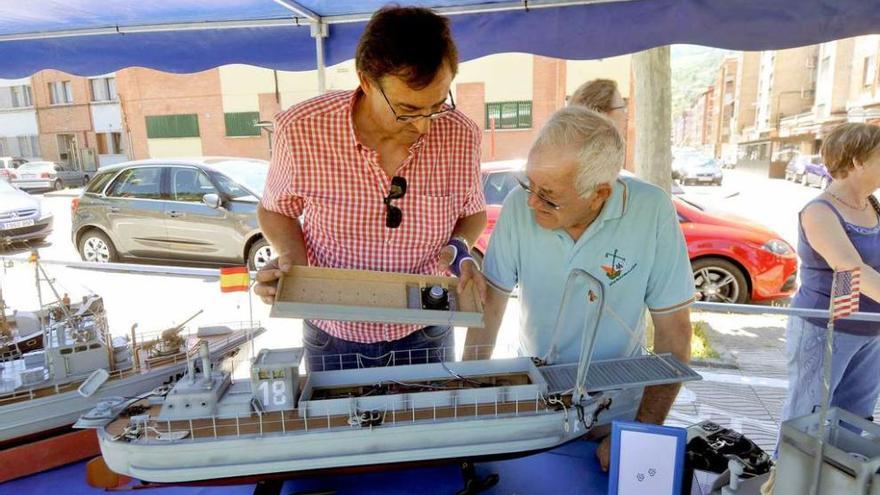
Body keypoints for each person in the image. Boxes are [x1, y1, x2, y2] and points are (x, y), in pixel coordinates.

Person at [254, 6, 487, 371]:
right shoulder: (302, 129)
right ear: (365, 81)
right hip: (332, 329)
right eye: (408, 109)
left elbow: (472, 212)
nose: (425, 127)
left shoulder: (462, 134)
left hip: (428, 326)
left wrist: (458, 250)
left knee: (428, 427)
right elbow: (275, 209)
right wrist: (294, 269)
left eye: (438, 105)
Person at [464, 106, 693, 471]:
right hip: (537, 396)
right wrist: (468, 399)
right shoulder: (517, 209)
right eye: (529, 184)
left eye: (549, 196)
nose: (532, 202)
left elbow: (674, 332)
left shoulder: (652, 210)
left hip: (619, 408)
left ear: (599, 193)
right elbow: (491, 306)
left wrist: (642, 431)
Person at [780, 123, 880, 428]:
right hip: (825, 329)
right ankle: (786, 476)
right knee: (806, 420)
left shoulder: (873, 206)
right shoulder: (820, 211)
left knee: (853, 422)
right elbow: (852, 271)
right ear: (857, 161)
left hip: (871, 330)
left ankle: (836, 477)